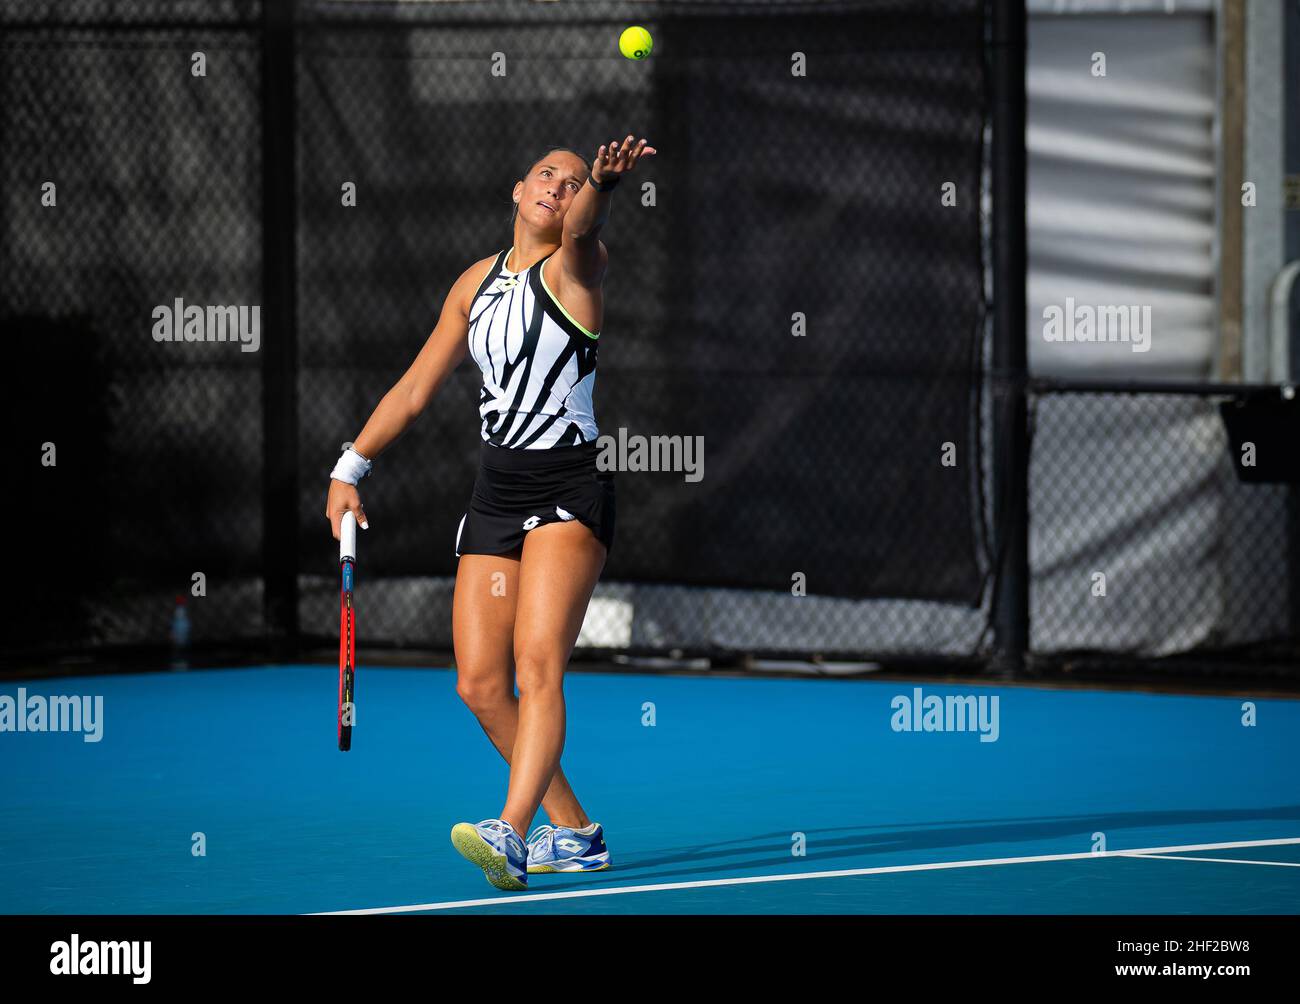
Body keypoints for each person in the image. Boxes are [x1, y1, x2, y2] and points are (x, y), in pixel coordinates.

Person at [326, 136, 656, 891]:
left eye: (573, 182)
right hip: (496, 497)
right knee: (478, 684)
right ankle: (575, 832)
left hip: (568, 492)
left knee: (538, 666)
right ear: (517, 189)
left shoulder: (578, 271)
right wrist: (350, 468)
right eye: (548, 174)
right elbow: (414, 389)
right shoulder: (474, 284)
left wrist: (603, 185)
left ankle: (509, 831)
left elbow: (585, 233)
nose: (560, 187)